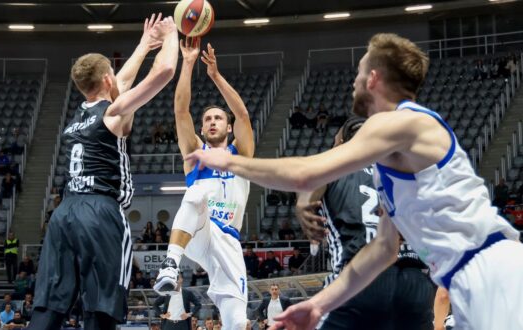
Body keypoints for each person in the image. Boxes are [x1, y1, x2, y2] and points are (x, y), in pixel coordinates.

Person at [185, 33, 523, 330]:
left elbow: (308, 173)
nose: (353, 82)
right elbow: (381, 251)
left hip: (490, 268)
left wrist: (230, 160)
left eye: (359, 72)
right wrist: (320, 303)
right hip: (467, 278)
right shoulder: (391, 164)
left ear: (373, 78)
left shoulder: (401, 122)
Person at [28, 13, 178, 330]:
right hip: (100, 211)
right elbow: (164, 71)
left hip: (63, 213)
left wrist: (143, 44)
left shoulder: (79, 115)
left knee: (49, 305)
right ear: (107, 80)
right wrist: (171, 35)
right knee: (102, 304)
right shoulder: (114, 113)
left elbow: (118, 83)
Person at [154, 37, 255, 330]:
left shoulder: (242, 154)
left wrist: (215, 75)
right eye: (208, 119)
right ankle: (171, 263)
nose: (212, 121)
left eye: (218, 118)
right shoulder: (195, 155)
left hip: (229, 241)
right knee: (196, 194)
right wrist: (187, 64)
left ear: (228, 126)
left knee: (237, 322)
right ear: (202, 127)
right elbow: (180, 111)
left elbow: (244, 115)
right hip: (201, 231)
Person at [296, 117, 434, 329]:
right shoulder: (402, 174)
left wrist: (303, 205)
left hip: (357, 276)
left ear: (341, 144)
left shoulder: (335, 165)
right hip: (412, 280)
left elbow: (309, 189)